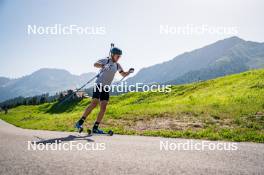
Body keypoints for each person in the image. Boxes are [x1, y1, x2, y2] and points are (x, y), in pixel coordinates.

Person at [75, 47, 131, 133]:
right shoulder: (106, 60)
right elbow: (95, 64)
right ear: (112, 55)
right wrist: (103, 65)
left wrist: (129, 72)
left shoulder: (117, 65)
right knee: (94, 103)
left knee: (104, 107)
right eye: (117, 56)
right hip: (99, 84)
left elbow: (123, 74)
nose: (118, 57)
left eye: (120, 56)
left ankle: (95, 127)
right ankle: (79, 122)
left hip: (106, 87)